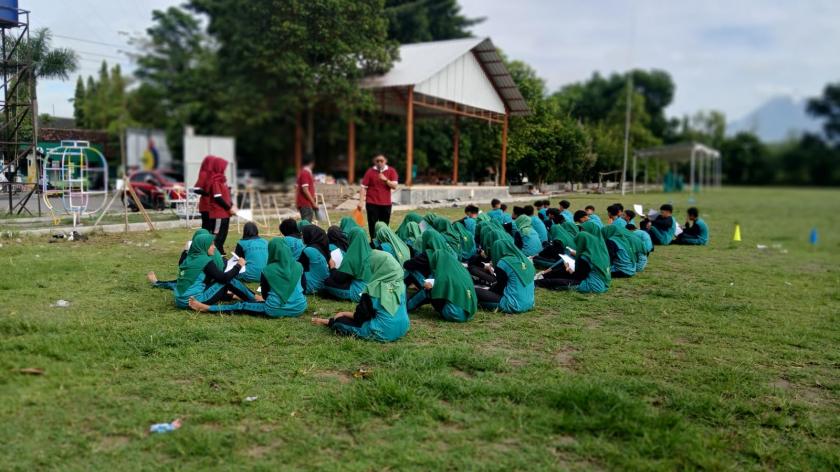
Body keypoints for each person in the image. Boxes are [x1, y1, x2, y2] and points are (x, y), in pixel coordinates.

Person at [189, 237, 307, 317]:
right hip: (300, 307)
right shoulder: (299, 266)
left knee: (242, 306)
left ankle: (207, 308)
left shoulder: (267, 270)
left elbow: (265, 295)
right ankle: (254, 297)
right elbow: (304, 288)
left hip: (274, 309)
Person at [311, 250, 410, 342]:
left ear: (378, 268)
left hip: (384, 331)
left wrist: (342, 314)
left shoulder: (372, 289)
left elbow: (361, 318)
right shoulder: (401, 285)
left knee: (340, 322)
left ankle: (329, 322)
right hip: (403, 327)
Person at [173, 233, 255, 309]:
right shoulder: (204, 260)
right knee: (229, 279)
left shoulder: (189, 258)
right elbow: (224, 279)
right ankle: (254, 298)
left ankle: (236, 296)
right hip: (193, 301)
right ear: (203, 246)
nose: (214, 247)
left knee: (216, 280)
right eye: (211, 244)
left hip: (180, 301)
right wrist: (239, 265)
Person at [406, 249, 477, 322]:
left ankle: (406, 307)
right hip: (468, 313)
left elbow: (431, 290)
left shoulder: (443, 276)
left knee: (428, 292)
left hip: (453, 314)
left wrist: (429, 287)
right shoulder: (462, 271)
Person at [535, 228, 611, 293]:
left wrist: (568, 268)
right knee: (562, 273)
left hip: (592, 285)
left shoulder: (585, 257)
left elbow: (578, 277)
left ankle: (536, 283)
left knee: (558, 282)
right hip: (600, 282)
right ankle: (543, 276)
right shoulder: (597, 253)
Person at [474, 239, 535, 313]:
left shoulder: (503, 262)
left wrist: (489, 292)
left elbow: (500, 287)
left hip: (513, 305)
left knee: (476, 291)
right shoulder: (525, 260)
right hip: (530, 303)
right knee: (493, 287)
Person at [148, 229, 219, 290]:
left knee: (181, 283)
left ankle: (157, 283)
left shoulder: (203, 254)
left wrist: (186, 250)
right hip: (213, 278)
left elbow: (182, 266)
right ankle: (158, 282)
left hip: (205, 282)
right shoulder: (211, 249)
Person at [322, 227, 371, 302]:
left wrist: (332, 267)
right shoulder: (372, 253)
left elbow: (339, 279)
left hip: (359, 293)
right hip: (373, 291)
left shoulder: (351, 256)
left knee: (327, 282)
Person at [358, 154, 398, 237]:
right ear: (374, 162)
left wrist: (386, 180)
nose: (379, 163)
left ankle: (383, 243)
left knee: (384, 226)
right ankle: (373, 243)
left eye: (381, 161)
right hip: (372, 203)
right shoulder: (370, 171)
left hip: (386, 203)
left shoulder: (391, 171)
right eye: (377, 161)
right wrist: (361, 202)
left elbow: (394, 186)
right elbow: (363, 187)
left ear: (385, 161)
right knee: (372, 226)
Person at [203, 157, 237, 255]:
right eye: (223, 167)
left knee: (223, 234)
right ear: (218, 167)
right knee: (216, 234)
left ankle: (220, 251)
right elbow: (218, 197)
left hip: (225, 213)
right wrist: (229, 208)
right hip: (218, 213)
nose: (225, 169)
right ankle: (213, 252)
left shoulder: (222, 180)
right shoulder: (215, 181)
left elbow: (226, 196)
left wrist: (232, 206)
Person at [300, 225, 331, 294]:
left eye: (303, 234)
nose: (301, 237)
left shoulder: (308, 250)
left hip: (310, 287)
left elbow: (298, 267)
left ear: (309, 235)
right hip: (323, 285)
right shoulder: (324, 248)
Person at [296, 154, 317, 222]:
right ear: (312, 162)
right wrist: (313, 203)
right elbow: (305, 189)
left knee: (307, 223)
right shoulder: (305, 173)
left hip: (305, 203)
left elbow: (296, 188)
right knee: (306, 225)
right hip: (305, 203)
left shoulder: (303, 172)